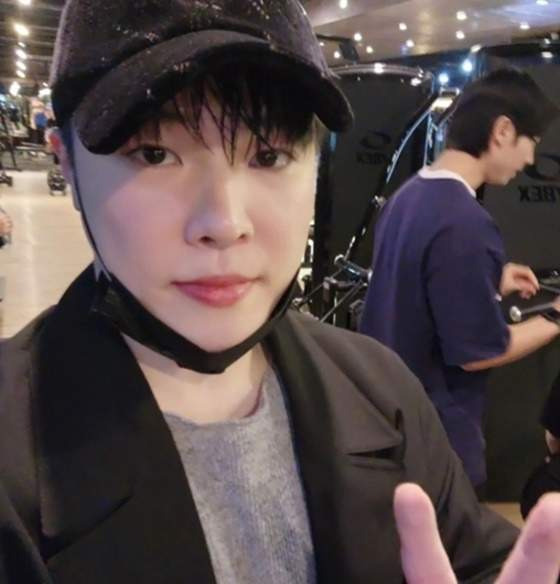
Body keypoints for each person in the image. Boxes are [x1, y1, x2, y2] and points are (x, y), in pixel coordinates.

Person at [1, 2, 560, 582]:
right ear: (66, 162)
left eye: (268, 156)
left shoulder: (379, 390)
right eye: (154, 154)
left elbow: (476, 557)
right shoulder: (16, 452)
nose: (225, 222)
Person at [359, 69, 560, 489]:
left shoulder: (407, 197)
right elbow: (478, 351)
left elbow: (415, 289)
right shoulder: (466, 222)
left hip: (389, 423)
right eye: (532, 142)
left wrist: (491, 279)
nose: (529, 160)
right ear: (503, 131)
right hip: (439, 441)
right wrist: (554, 318)